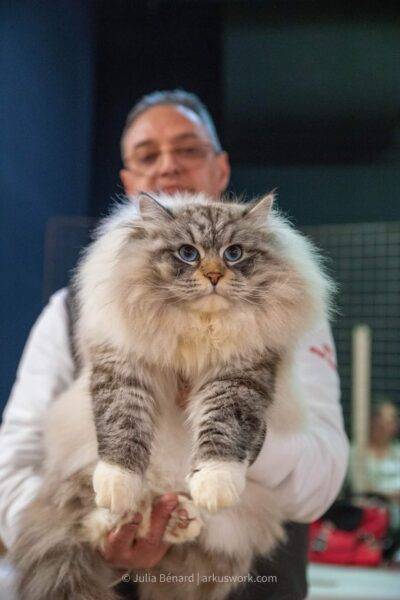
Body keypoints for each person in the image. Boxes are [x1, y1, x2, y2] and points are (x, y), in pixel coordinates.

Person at [0, 90, 349, 599]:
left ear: (220, 168)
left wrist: (232, 431)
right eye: (147, 155)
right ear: (128, 183)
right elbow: (15, 457)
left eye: (188, 149)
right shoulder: (68, 307)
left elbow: (323, 479)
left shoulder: (283, 304)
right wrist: (91, 543)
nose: (168, 166)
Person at [349, 398, 400, 529]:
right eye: (388, 420)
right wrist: (389, 496)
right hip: (371, 513)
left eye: (394, 420)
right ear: (373, 422)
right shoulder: (357, 452)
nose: (393, 424)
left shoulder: (397, 450)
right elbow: (358, 486)